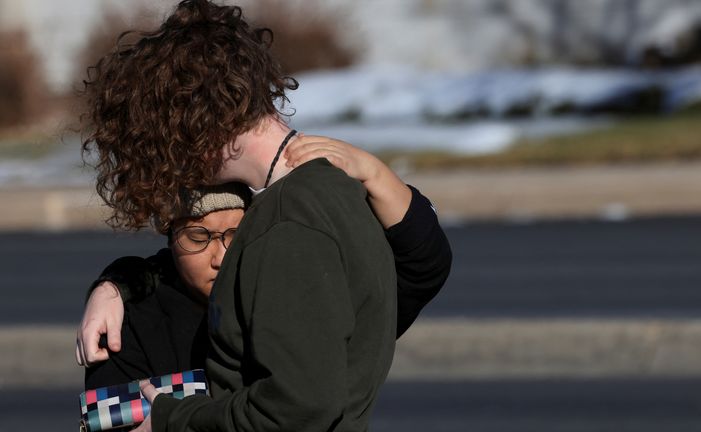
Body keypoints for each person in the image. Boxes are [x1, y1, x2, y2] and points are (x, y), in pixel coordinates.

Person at [79, 1, 451, 430]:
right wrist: (118, 282)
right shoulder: (339, 193)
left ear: (197, 129)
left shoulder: (283, 228)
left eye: (169, 144)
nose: (175, 164)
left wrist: (171, 419)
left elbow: (295, 410)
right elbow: (426, 260)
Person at [80, 142, 452, 391]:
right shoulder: (127, 323)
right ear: (169, 236)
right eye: (197, 236)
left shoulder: (312, 300)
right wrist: (117, 285)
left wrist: (374, 172)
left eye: (238, 236)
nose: (221, 257)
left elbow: (422, 262)